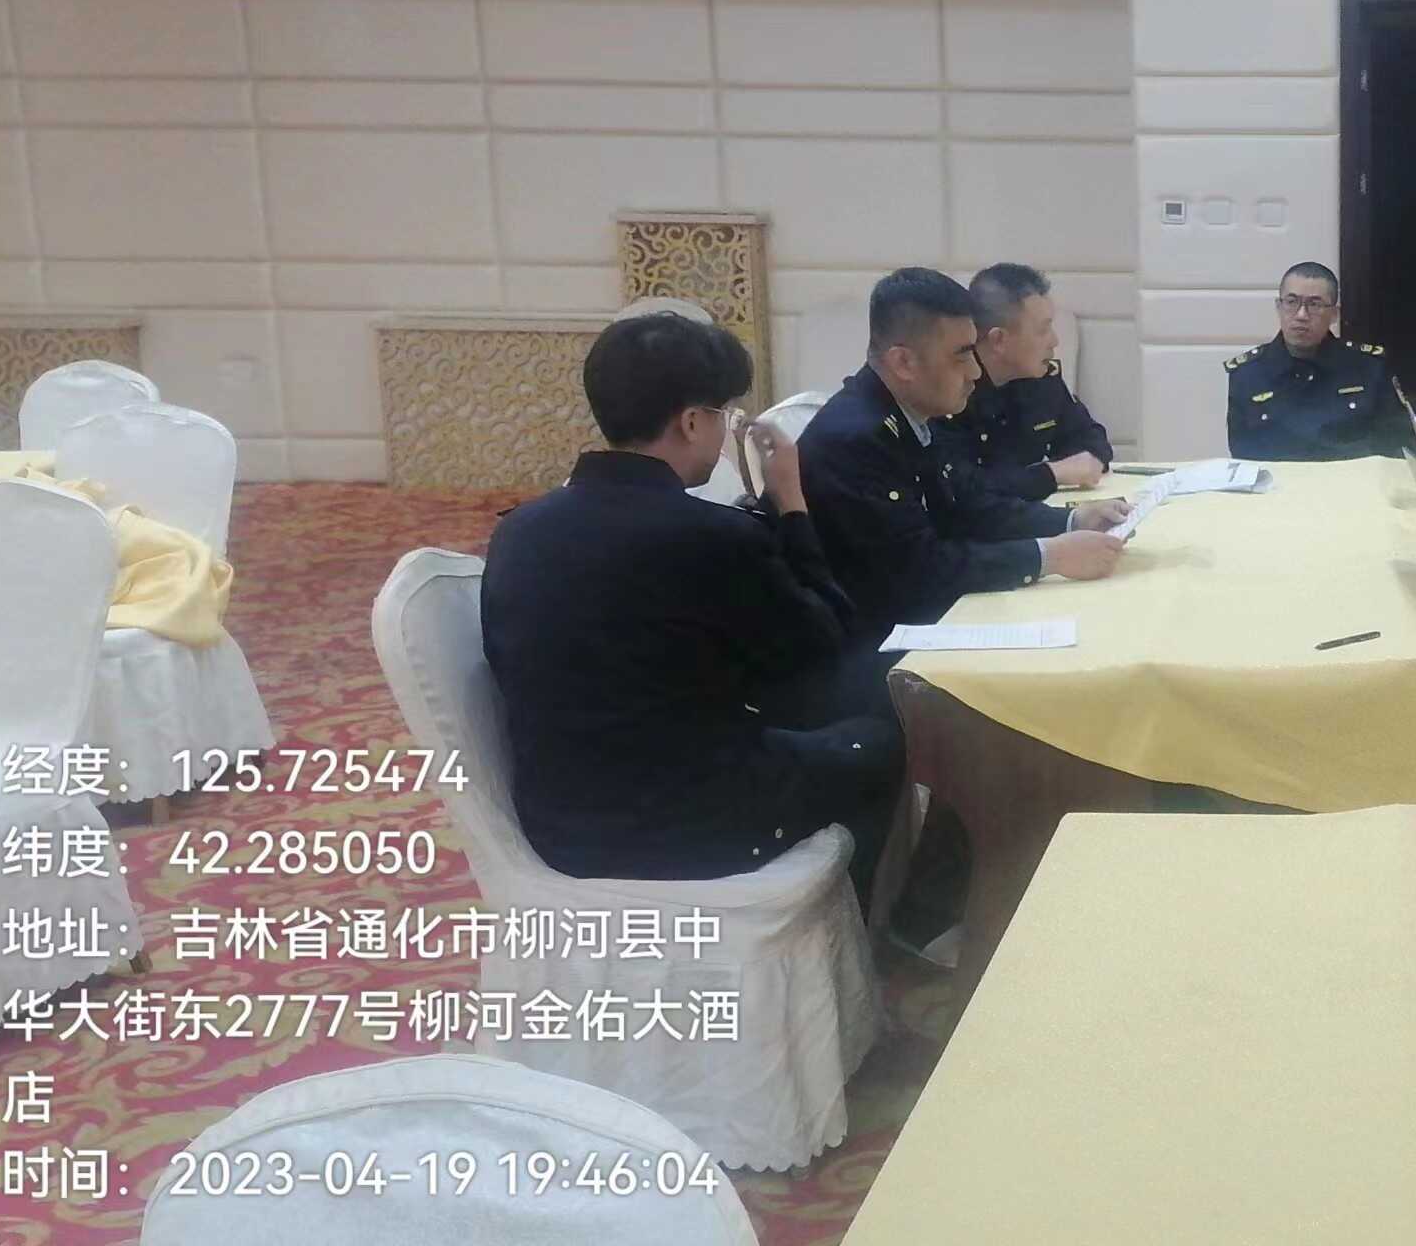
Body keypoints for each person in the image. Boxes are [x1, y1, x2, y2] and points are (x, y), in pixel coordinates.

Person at [480, 312, 903, 908]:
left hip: (562, 827)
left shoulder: (517, 530)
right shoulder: (710, 536)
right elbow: (825, 646)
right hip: (689, 824)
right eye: (724, 415)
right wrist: (792, 506)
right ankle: (878, 930)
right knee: (883, 739)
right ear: (691, 421)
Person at [798, 268, 1132, 660]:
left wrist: (1072, 521)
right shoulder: (858, 438)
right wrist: (1048, 556)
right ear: (903, 362)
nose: (975, 372)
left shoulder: (910, 412)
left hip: (908, 616)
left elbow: (968, 505)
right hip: (862, 645)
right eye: (961, 355)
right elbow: (918, 571)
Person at [939, 263, 1114, 501]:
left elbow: (1090, 439)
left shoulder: (1040, 379)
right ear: (999, 340)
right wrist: (1051, 474)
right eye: (1042, 330)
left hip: (1030, 513)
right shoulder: (949, 393)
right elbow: (963, 490)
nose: (1054, 341)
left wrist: (1085, 462)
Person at [1225, 262, 1413, 461]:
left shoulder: (1369, 368)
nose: (1301, 315)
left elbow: (1394, 446)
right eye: (1291, 302)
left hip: (1352, 479)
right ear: (1279, 307)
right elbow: (1243, 454)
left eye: (1314, 304)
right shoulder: (1247, 374)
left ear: (1334, 314)